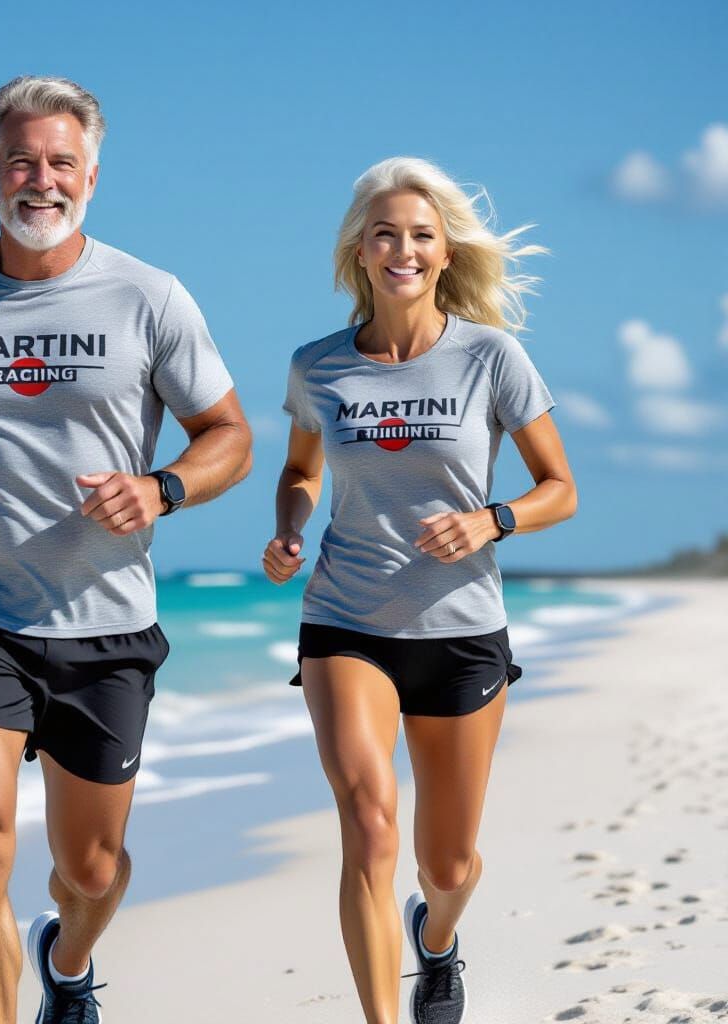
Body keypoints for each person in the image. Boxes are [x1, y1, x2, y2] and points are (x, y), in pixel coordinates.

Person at [0, 75, 251, 1024]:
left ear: (91, 177)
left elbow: (227, 433)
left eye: (60, 161)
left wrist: (161, 488)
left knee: (91, 870)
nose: (40, 179)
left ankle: (66, 960)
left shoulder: (149, 297)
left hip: (105, 620)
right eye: (21, 161)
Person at [262, 157, 576, 1024]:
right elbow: (299, 469)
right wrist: (291, 526)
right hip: (346, 621)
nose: (403, 248)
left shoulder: (492, 358)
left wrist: (492, 521)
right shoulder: (317, 366)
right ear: (359, 252)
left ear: (443, 256)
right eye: (386, 234)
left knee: (449, 865)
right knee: (367, 823)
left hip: (461, 625)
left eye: (422, 236)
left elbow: (561, 487)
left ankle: (436, 942)